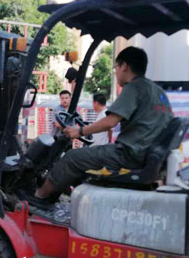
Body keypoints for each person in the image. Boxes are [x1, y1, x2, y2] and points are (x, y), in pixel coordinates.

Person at [34, 46, 173, 202]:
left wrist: (79, 131)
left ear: (124, 66)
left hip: (128, 155)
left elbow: (111, 121)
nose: (116, 72)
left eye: (116, 67)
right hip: (146, 154)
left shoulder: (133, 87)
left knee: (71, 157)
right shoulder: (158, 91)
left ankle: (39, 197)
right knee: (83, 161)